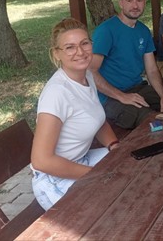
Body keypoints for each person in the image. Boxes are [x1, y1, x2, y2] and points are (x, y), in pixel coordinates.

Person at [31, 18, 120, 211]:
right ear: (57, 54)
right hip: (55, 179)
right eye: (70, 47)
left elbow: (97, 120)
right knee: (116, 203)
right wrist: (96, 174)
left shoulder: (86, 75)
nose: (80, 52)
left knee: (130, 167)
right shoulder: (57, 93)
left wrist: (115, 147)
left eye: (85, 43)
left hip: (82, 160)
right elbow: (41, 160)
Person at [90, 0, 163, 129]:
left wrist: (162, 95)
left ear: (144, 2)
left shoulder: (143, 30)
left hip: (138, 89)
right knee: (152, 120)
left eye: (139, 0)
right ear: (121, 3)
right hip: (110, 98)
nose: (135, 6)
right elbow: (90, 71)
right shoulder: (106, 31)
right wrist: (122, 96)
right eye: (129, 0)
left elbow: (152, 70)